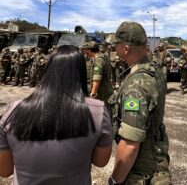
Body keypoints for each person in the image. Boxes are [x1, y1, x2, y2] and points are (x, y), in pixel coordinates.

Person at [0, 45, 112, 184]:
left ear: (48, 70)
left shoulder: (13, 110)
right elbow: (100, 162)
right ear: (82, 72)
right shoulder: (98, 111)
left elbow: (4, 171)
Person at [108, 21, 171, 185]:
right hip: (156, 158)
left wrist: (115, 180)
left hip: (141, 172)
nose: (115, 49)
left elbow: (130, 144)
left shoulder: (136, 86)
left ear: (126, 49)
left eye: (117, 45)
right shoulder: (154, 70)